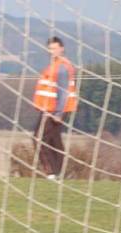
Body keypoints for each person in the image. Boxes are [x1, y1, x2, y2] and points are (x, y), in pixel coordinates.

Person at [32, 36, 77, 181]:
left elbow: (63, 92)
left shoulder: (62, 67)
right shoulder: (55, 65)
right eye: (50, 48)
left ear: (61, 48)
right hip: (49, 108)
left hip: (53, 110)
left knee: (38, 138)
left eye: (55, 48)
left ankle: (51, 172)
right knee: (54, 139)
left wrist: (58, 113)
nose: (52, 51)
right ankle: (58, 172)